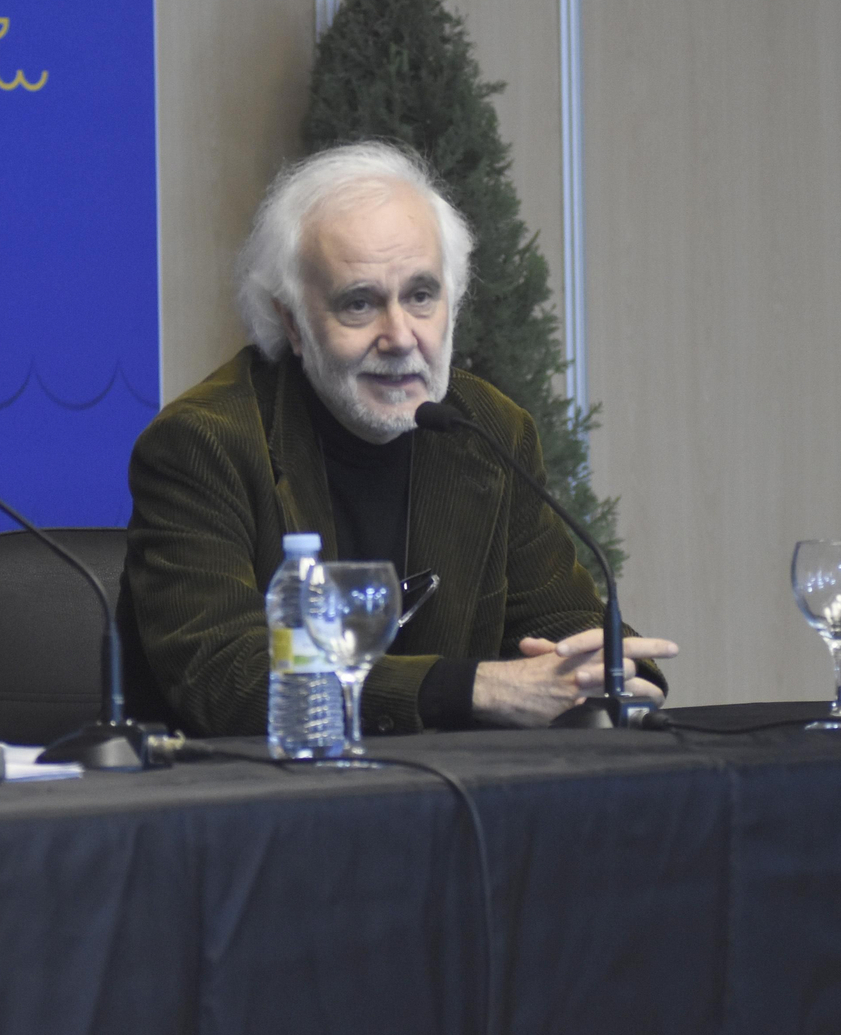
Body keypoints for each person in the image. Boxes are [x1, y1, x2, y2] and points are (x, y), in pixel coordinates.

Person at [120, 142, 677, 737]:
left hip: (452, 788)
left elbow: (559, 615)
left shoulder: (488, 428)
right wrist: (473, 688)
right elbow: (223, 674)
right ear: (293, 323)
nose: (401, 336)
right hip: (256, 788)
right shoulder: (204, 443)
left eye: (420, 296)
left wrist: (604, 669)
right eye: (359, 303)